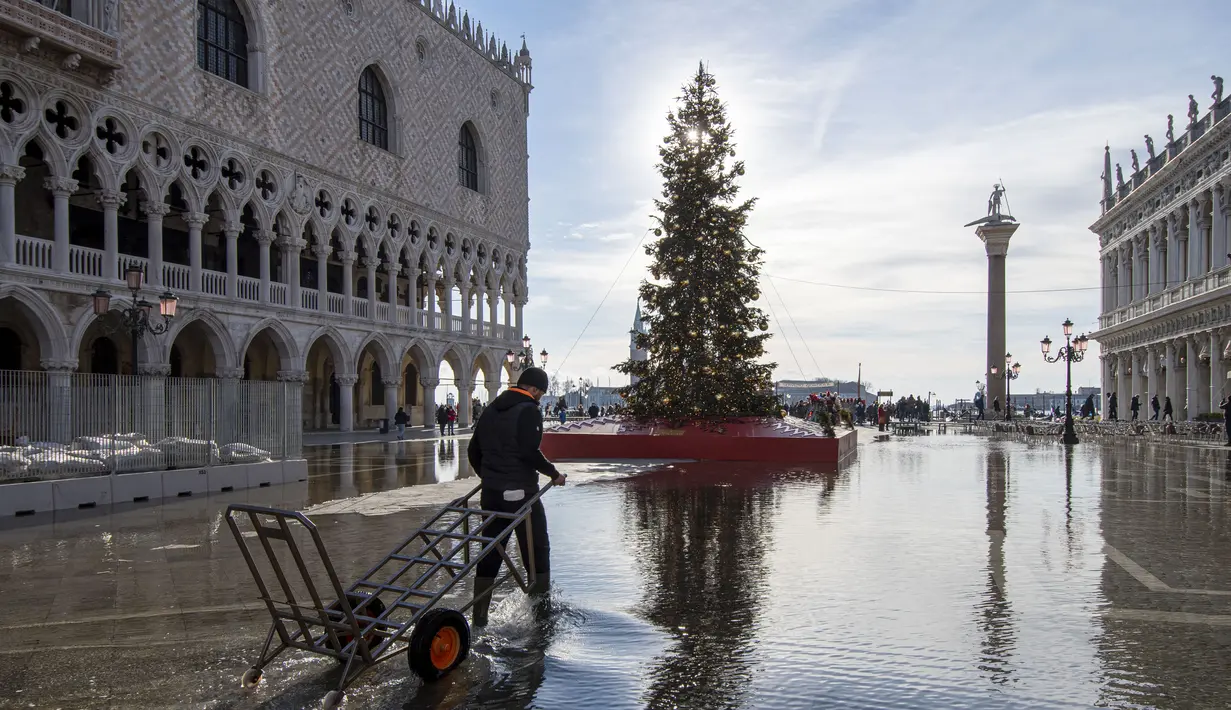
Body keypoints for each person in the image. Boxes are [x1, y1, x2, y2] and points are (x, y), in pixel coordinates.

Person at [466, 367, 566, 627]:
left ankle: (479, 617)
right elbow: (529, 452)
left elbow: (472, 450)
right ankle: (541, 616)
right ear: (534, 389)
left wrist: (490, 478)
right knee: (536, 549)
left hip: (492, 494)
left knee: (491, 550)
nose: (539, 399)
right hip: (522, 495)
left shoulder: (490, 408)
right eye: (540, 394)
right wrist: (554, 474)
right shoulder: (529, 410)